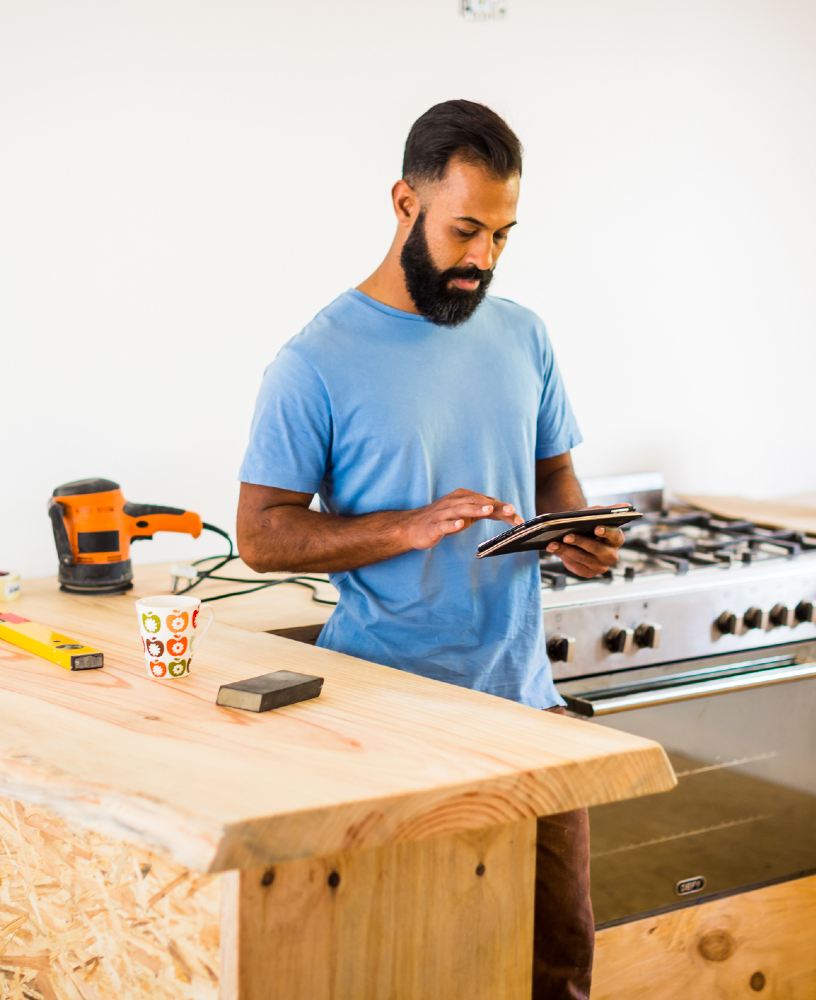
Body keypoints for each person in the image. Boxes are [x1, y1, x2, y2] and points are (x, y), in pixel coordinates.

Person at [235, 99, 621, 1000]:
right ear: (405, 202)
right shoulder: (314, 362)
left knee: (556, 968)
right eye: (465, 230)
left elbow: (554, 473)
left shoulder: (523, 334)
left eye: (503, 235)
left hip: (526, 708)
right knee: (408, 969)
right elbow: (260, 534)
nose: (482, 258)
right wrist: (402, 527)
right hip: (387, 722)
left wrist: (575, 533)